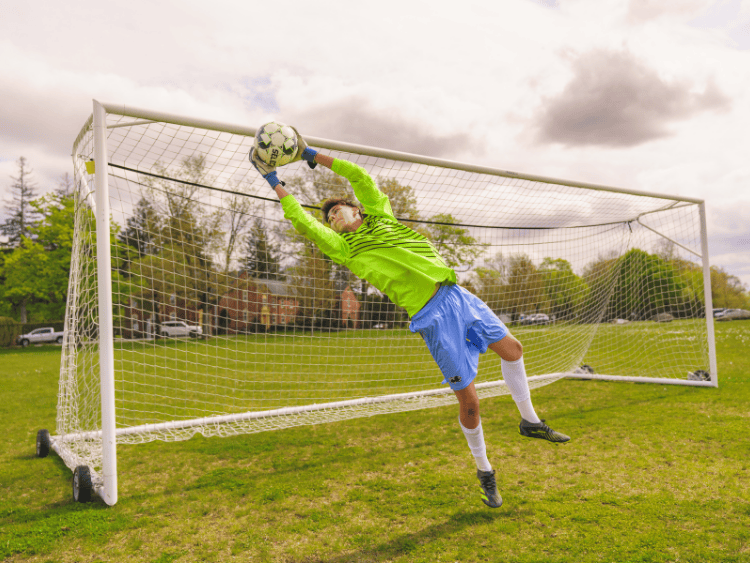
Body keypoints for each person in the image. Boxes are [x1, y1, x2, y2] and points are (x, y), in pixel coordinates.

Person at [250, 130, 570, 509]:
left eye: (338, 210)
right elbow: (302, 222)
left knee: (513, 349)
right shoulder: (344, 249)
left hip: (457, 294)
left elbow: (359, 177)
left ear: (359, 210)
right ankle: (485, 471)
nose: (333, 217)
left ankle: (530, 421)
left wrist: (308, 153)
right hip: (431, 317)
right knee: (469, 403)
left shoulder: (380, 213)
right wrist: (272, 180)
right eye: (330, 217)